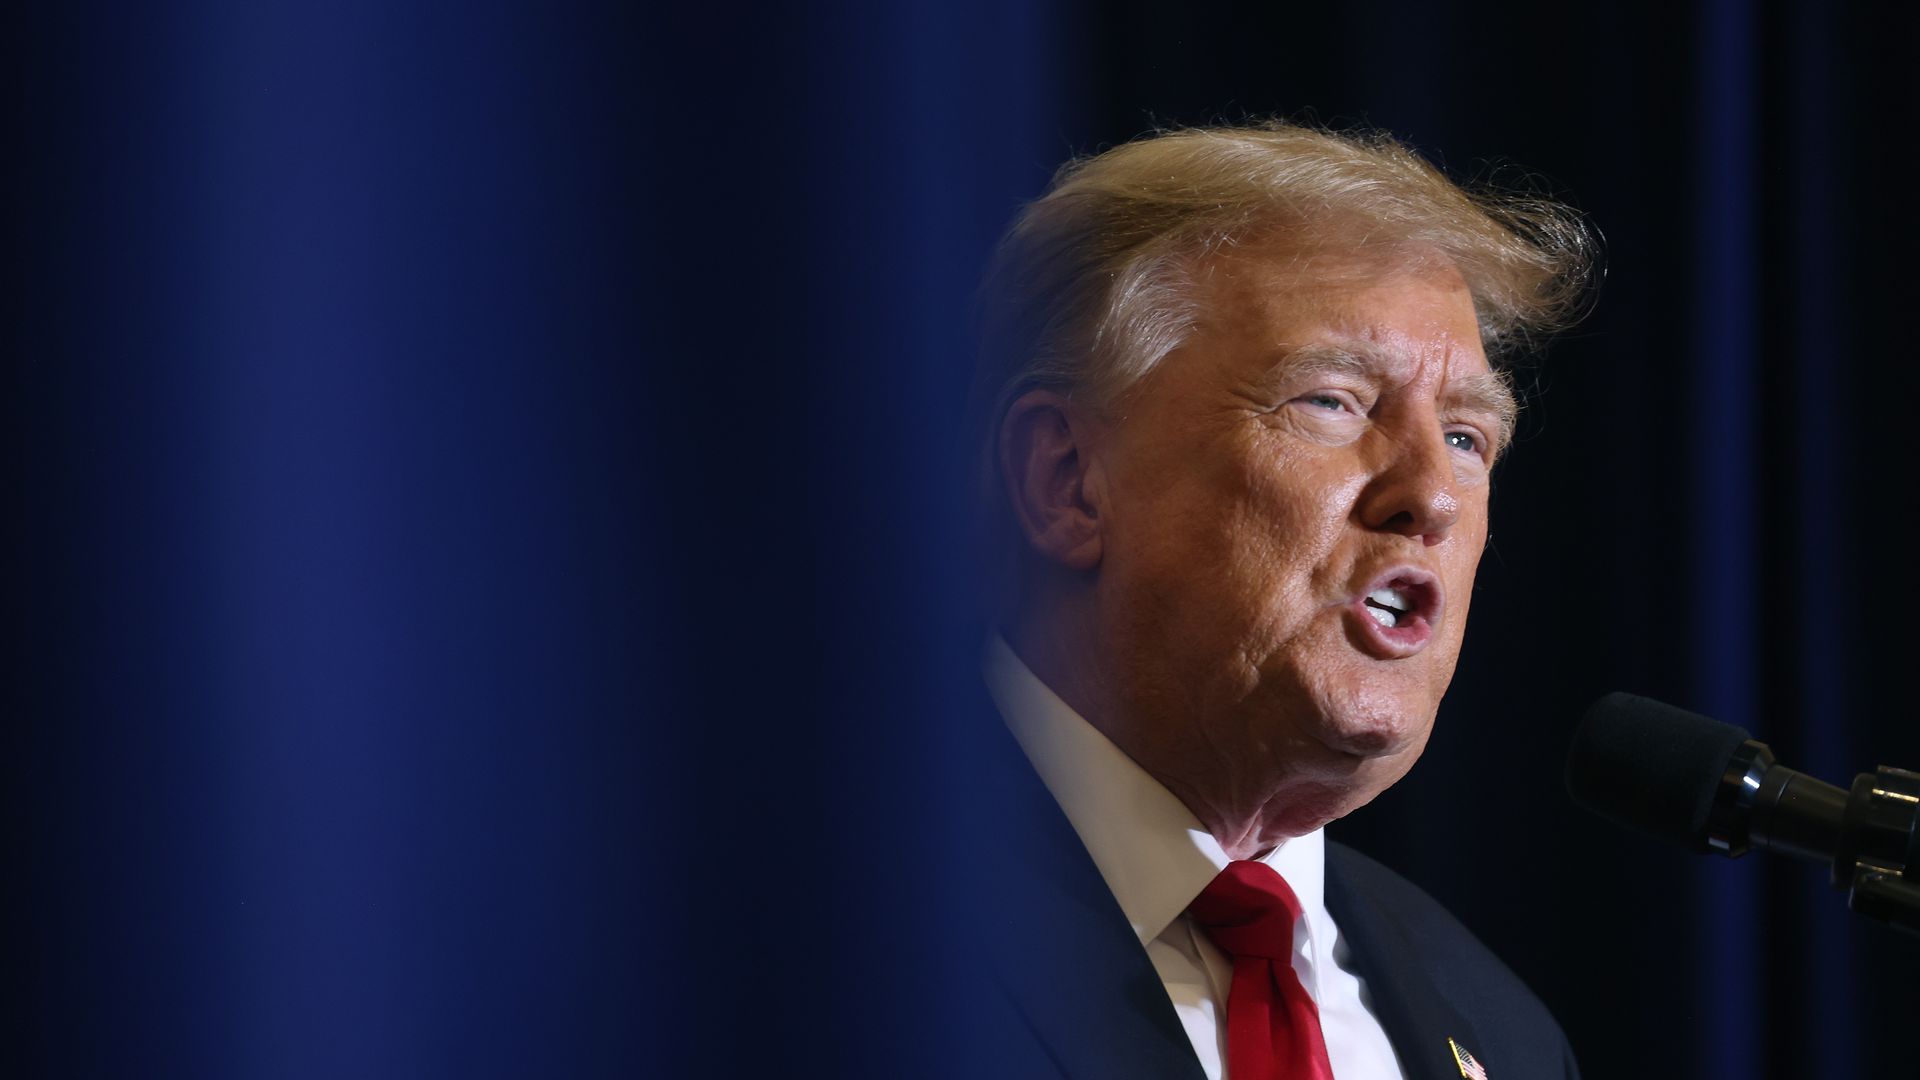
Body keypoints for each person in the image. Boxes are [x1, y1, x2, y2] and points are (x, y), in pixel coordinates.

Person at [952, 123, 1593, 1080]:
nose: (1434, 493)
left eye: (1467, 435)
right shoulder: (835, 924)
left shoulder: (1502, 1029)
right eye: (1331, 401)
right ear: (1068, 480)